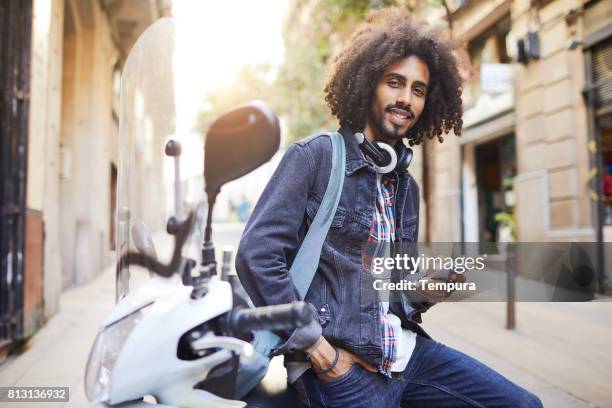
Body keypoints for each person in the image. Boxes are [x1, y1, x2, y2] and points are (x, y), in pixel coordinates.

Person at [236, 8, 542, 408]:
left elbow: (385, 290)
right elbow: (256, 255)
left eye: (418, 90)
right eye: (395, 83)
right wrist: (317, 349)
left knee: (523, 404)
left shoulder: (404, 185)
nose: (405, 98)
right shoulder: (316, 158)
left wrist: (424, 292)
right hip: (340, 367)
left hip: (407, 353)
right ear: (366, 85)